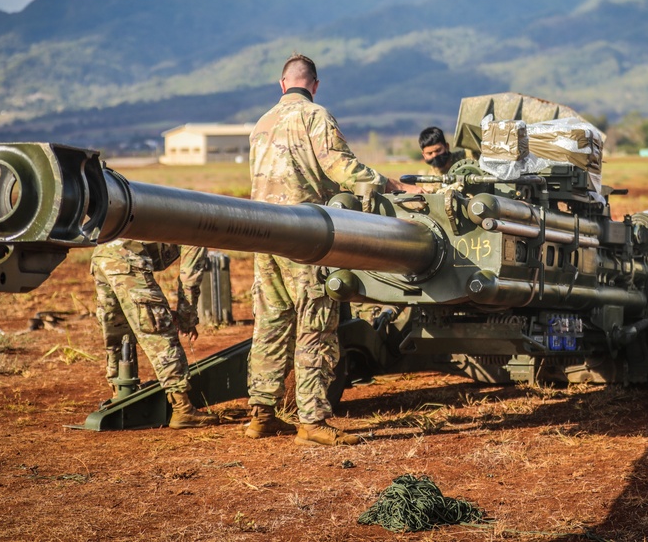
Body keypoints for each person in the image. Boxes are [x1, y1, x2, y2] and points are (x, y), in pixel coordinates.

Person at [247, 53, 423, 446]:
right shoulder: (315, 116)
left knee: (271, 324)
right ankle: (311, 421)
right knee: (315, 326)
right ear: (315, 85)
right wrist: (393, 186)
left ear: (281, 84)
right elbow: (342, 168)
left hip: (264, 237)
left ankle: (260, 413)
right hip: (303, 238)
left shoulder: (261, 124)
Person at [91, 240, 219, 428]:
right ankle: (182, 409)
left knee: (117, 330)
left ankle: (121, 395)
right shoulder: (202, 216)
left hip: (102, 255)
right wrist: (186, 318)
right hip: (128, 259)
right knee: (159, 331)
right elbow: (190, 277)